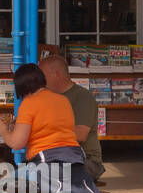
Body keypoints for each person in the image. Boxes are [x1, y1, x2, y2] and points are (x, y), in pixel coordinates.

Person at [6, 63, 101, 193]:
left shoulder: (28, 103)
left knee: (7, 182)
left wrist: (3, 131)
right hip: (76, 164)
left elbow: (17, 143)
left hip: (49, 165)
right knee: (28, 190)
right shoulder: (63, 100)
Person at [40, 53, 105, 183]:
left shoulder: (83, 97)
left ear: (57, 75)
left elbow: (80, 135)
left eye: (42, 75)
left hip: (86, 160)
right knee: (18, 172)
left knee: (37, 176)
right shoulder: (46, 97)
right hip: (55, 157)